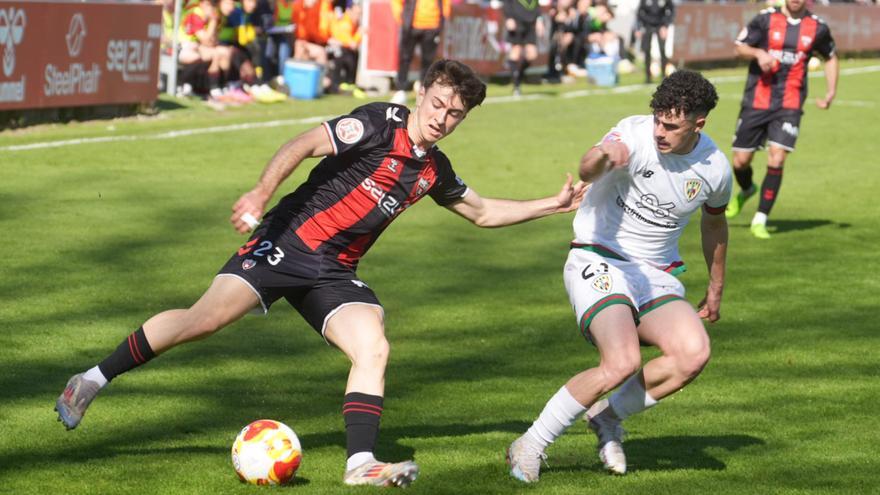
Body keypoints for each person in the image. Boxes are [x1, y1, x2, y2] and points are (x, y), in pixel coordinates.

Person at [55, 59, 585, 488]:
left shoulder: (432, 170)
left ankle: (360, 464)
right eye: (439, 103)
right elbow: (304, 143)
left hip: (334, 272)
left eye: (455, 114)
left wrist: (552, 205)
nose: (443, 117)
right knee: (204, 320)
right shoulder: (380, 122)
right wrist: (260, 194)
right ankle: (91, 379)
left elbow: (483, 212)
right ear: (422, 93)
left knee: (373, 346)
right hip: (286, 242)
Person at [506, 70, 731, 483]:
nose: (660, 131)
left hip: (655, 275)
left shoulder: (715, 168)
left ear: (699, 123)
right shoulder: (634, 133)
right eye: (658, 120)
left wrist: (716, 286)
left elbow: (714, 225)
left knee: (693, 352)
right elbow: (588, 167)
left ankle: (607, 418)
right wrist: (604, 154)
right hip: (600, 256)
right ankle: (530, 444)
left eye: (672, 125)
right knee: (621, 361)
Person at [725, 0, 837, 239]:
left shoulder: (818, 27)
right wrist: (758, 53)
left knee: (777, 158)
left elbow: (831, 56)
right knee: (740, 162)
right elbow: (739, 47)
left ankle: (760, 219)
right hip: (757, 100)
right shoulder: (764, 19)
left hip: (790, 103)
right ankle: (747, 189)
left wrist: (830, 92)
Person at [390, 0, 450, 104]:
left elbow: (446, 4)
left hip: (432, 26)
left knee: (428, 62)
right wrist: (402, 19)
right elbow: (396, 2)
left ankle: (424, 91)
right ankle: (400, 91)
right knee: (404, 58)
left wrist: (443, 17)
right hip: (411, 25)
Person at [503, 0, 545, 97]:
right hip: (517, 22)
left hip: (530, 25)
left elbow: (536, 5)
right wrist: (509, 17)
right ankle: (516, 86)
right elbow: (507, 3)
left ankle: (518, 76)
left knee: (532, 55)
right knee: (516, 53)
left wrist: (539, 20)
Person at [636, 0, 674, 84]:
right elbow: (639, 12)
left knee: (662, 49)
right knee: (646, 50)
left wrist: (666, 25)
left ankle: (664, 75)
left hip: (660, 25)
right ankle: (648, 76)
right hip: (647, 26)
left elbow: (671, 10)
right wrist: (639, 27)